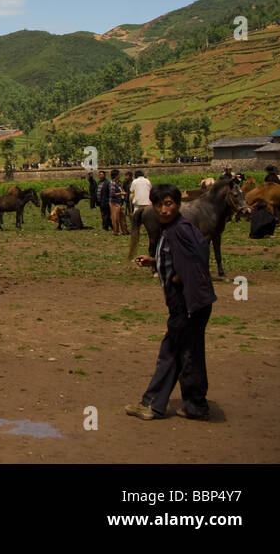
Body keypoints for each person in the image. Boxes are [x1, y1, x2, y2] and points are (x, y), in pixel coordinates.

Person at [127, 183, 216, 421]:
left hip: (187, 303)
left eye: (169, 204)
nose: (164, 210)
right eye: (159, 205)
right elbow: (191, 254)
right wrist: (155, 261)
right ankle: (195, 405)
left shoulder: (179, 230)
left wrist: (179, 276)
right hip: (195, 302)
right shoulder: (177, 228)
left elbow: (197, 257)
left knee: (173, 352)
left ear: (177, 204)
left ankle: (152, 404)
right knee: (188, 353)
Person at [129, 171, 153, 250]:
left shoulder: (134, 181)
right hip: (147, 202)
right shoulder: (147, 181)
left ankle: (135, 231)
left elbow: (131, 191)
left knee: (136, 219)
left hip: (138, 203)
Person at [109, 170, 128, 236]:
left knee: (122, 217)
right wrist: (121, 193)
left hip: (119, 202)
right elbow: (112, 194)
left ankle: (125, 231)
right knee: (115, 218)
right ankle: (116, 231)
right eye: (119, 175)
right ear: (116, 175)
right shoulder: (112, 183)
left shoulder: (117, 183)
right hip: (114, 202)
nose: (120, 176)